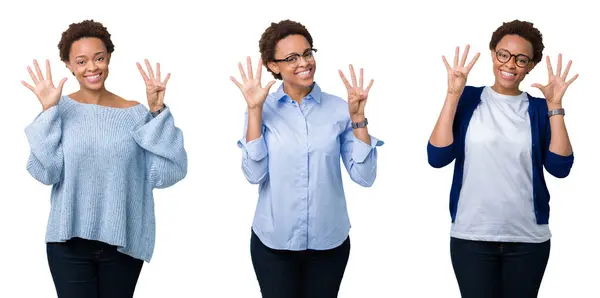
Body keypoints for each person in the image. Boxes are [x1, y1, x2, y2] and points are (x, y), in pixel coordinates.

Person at [22, 19, 187, 298]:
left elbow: (169, 171)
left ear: (108, 57)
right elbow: (46, 172)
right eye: (82, 61)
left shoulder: (135, 114)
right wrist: (48, 111)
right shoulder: (59, 110)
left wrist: (157, 111)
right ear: (68, 65)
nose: (92, 67)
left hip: (122, 243)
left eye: (99, 58)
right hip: (68, 243)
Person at [231, 19, 383, 298]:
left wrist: (358, 119)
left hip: (329, 243)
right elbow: (254, 174)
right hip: (274, 244)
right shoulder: (263, 111)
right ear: (273, 66)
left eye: (307, 53)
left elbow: (365, 176)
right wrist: (254, 110)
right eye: (291, 58)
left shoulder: (340, 109)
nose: (304, 62)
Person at [427, 20, 577, 298]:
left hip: (528, 240)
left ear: (531, 65)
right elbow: (437, 156)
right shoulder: (468, 98)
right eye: (503, 54)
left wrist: (555, 107)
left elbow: (560, 167)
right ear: (493, 53)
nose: (510, 64)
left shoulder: (539, 109)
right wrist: (451, 95)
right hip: (471, 237)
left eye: (521, 59)